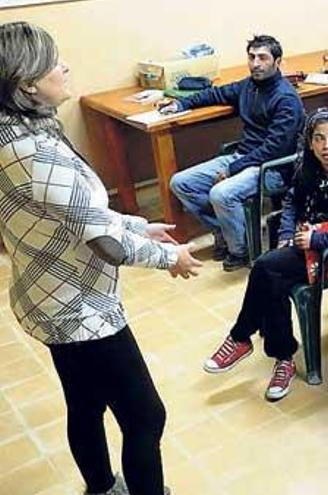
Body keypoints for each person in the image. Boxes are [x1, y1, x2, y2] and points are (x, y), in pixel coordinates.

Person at [0, 22, 202, 495]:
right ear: (26, 83)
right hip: (78, 310)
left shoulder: (11, 135)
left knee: (85, 403)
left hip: (44, 297)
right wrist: (168, 256)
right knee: (146, 415)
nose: (64, 67)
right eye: (54, 62)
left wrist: (136, 224)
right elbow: (104, 244)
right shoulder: (35, 154)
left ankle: (99, 489)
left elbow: (77, 214)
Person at [201, 107, 328, 401]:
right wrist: (284, 236)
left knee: (265, 269)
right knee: (273, 280)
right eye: (319, 139)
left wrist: (317, 238)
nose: (327, 146)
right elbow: (292, 203)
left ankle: (242, 337)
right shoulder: (307, 166)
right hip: (305, 243)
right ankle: (282, 358)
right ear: (310, 142)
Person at [164, 34, 305, 271]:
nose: (256, 63)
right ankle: (223, 230)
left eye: (263, 58)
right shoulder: (248, 85)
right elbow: (215, 93)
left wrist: (232, 169)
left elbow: (275, 149)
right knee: (181, 183)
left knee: (221, 194)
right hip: (242, 157)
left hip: (273, 167)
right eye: (251, 57)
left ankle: (241, 251)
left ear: (277, 62)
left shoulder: (286, 99)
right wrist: (181, 104)